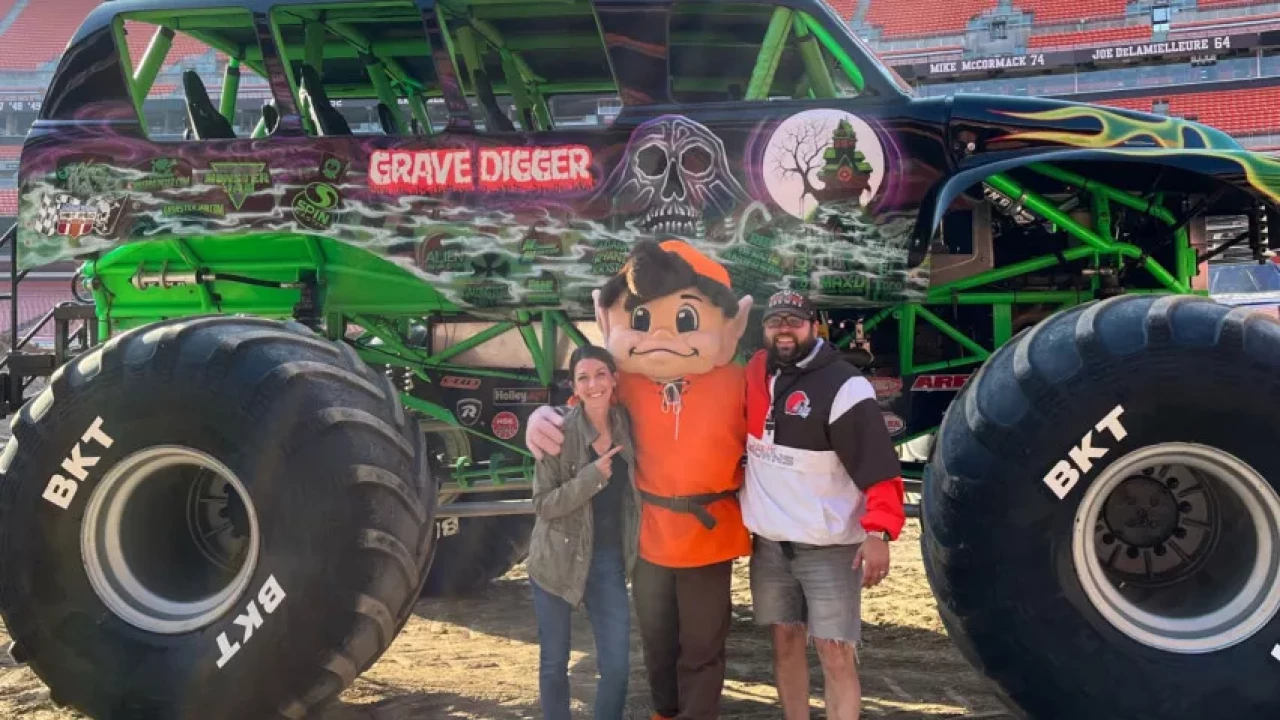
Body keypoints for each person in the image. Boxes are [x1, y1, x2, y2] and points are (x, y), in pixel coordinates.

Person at [526, 239, 755, 720]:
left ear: (732, 326)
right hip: (648, 534)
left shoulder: (738, 380)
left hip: (710, 532)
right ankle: (664, 713)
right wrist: (540, 418)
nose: (662, 336)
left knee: (703, 644)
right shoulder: (625, 381)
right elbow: (583, 410)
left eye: (686, 317)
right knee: (656, 640)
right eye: (644, 318)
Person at [740, 290, 906, 720]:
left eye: (794, 322)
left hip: (829, 548)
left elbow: (878, 466)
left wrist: (879, 532)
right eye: (775, 322)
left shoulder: (844, 386)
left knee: (835, 653)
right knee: (785, 645)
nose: (784, 330)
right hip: (770, 547)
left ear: (814, 327)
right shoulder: (755, 372)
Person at [526, 344, 641, 720]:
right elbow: (543, 504)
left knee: (617, 667)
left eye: (600, 374)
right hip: (556, 558)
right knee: (554, 664)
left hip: (606, 561)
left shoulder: (627, 425)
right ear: (574, 387)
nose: (594, 385)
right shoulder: (558, 431)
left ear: (614, 379)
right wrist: (591, 478)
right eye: (583, 378)